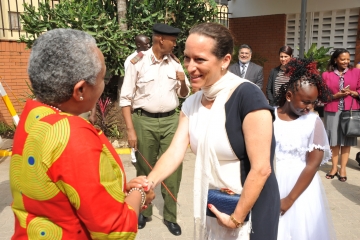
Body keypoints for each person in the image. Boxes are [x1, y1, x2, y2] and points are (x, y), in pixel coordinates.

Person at [9, 29, 154, 239]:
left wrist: (117, 189)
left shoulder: (33, 118)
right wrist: (140, 195)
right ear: (80, 91)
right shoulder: (73, 136)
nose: (104, 85)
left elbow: (64, 190)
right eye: (103, 77)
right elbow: (115, 230)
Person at [147, 22, 280, 240]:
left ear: (225, 60)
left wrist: (235, 219)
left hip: (250, 208)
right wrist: (148, 182)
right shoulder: (192, 102)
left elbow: (261, 169)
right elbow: (174, 152)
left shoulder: (247, 96)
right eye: (187, 58)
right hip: (217, 204)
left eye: (200, 59)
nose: (189, 67)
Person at [119, 23, 190, 236]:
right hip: (144, 121)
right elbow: (125, 99)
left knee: (173, 170)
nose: (175, 45)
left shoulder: (175, 63)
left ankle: (170, 216)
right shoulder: (137, 63)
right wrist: (130, 130)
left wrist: (182, 81)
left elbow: (184, 94)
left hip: (170, 120)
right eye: (173, 41)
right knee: (144, 168)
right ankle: (144, 211)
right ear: (161, 40)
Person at [273, 58, 335, 240]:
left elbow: (312, 165)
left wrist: (289, 199)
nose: (309, 107)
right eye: (305, 102)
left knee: (298, 232)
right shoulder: (269, 115)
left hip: (299, 187)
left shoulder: (312, 122)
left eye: (313, 102)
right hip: (271, 181)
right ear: (289, 96)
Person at [322, 49, 360, 182]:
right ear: (335, 60)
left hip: (350, 110)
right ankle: (333, 167)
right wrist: (335, 96)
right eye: (343, 59)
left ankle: (343, 168)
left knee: (346, 140)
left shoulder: (356, 72)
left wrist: (353, 92)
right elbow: (322, 94)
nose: (346, 62)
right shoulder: (326, 74)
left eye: (348, 59)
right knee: (334, 140)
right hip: (332, 110)